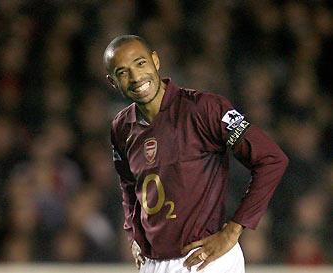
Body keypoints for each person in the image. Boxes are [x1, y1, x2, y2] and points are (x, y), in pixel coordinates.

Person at [105, 35, 288, 273]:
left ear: (155, 61)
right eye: (123, 72)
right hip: (155, 262)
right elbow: (129, 185)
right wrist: (134, 236)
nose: (136, 77)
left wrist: (234, 230)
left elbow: (271, 159)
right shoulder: (121, 127)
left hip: (206, 259)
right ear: (113, 82)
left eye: (140, 63)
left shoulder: (205, 108)